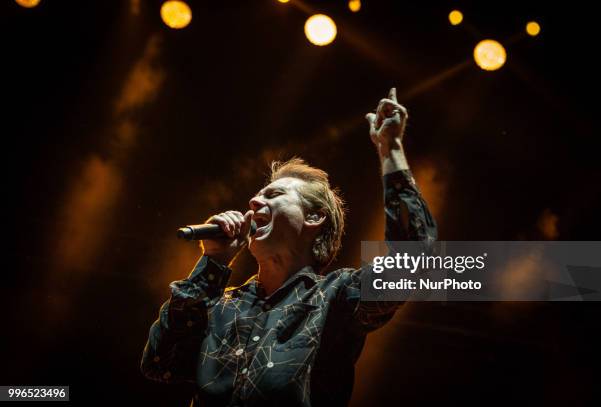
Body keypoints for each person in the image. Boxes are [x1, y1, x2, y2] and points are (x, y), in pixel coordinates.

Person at [140, 88, 438, 406]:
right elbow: (161, 364)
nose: (254, 202)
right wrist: (213, 261)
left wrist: (390, 148)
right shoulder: (223, 307)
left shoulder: (338, 296)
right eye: (257, 196)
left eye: (274, 195)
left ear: (314, 217)